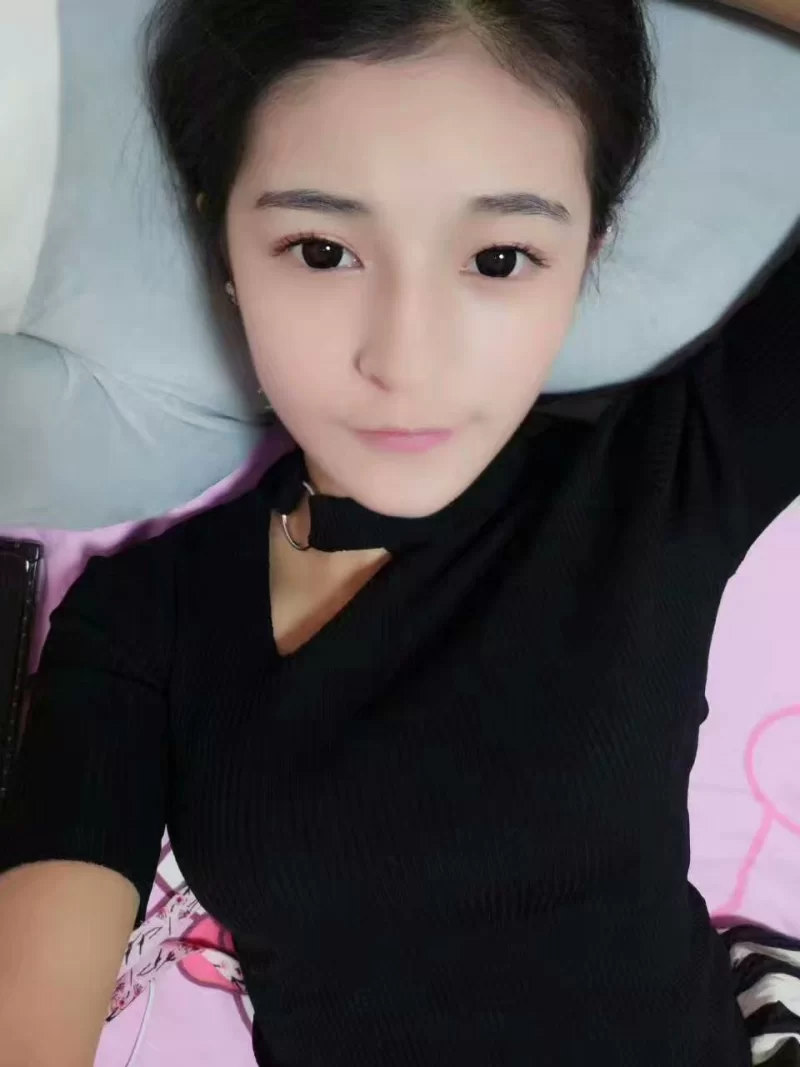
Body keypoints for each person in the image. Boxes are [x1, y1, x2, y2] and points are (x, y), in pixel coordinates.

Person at [0, 0, 798, 1063]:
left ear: (589, 249)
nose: (403, 358)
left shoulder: (654, 483)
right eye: (321, 249)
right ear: (224, 240)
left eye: (500, 258)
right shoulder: (145, 617)